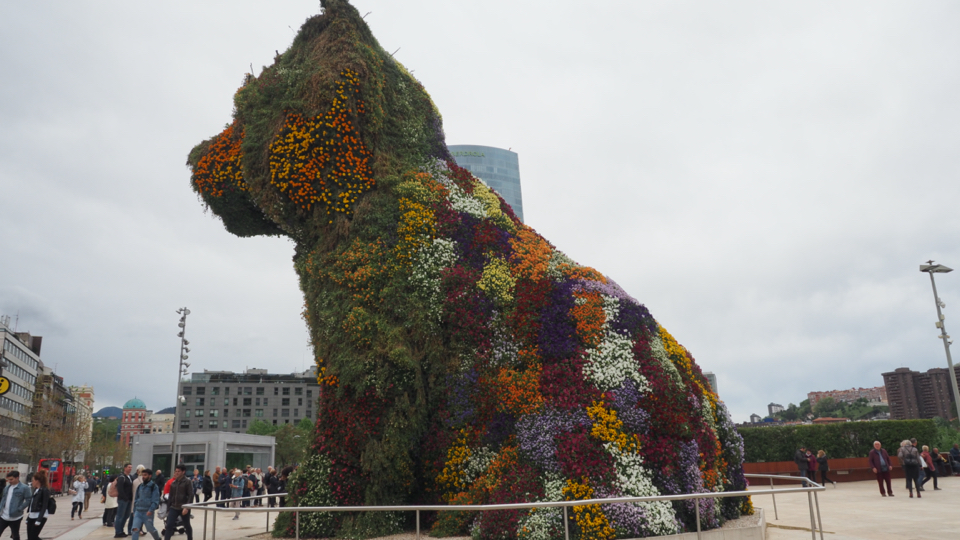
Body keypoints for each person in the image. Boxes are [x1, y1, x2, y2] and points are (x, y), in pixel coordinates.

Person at [0, 471, 34, 540]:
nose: (9, 481)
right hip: (3, 515)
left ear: (17, 478)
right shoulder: (7, 487)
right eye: (8, 479)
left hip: (16, 516)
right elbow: (3, 499)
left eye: (11, 479)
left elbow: (29, 499)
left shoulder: (24, 488)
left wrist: (20, 508)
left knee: (15, 535)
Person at [163, 465, 194, 540]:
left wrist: (187, 507)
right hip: (174, 507)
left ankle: (190, 538)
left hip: (183, 507)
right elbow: (170, 497)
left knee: (186, 525)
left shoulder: (187, 482)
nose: (176, 473)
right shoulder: (173, 483)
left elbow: (191, 495)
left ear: (183, 472)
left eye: (178, 471)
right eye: (175, 471)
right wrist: (168, 508)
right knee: (169, 525)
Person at [131, 469, 161, 540]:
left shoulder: (153, 487)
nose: (143, 477)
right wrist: (134, 510)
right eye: (142, 475)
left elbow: (155, 500)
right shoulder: (140, 486)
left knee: (150, 529)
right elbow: (136, 499)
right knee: (135, 529)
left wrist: (151, 510)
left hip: (147, 512)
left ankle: (157, 538)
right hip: (138, 511)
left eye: (145, 475)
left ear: (150, 476)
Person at [25, 470, 49, 540]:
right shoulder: (35, 490)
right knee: (30, 537)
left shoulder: (45, 490)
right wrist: (28, 518)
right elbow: (32, 504)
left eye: (33, 480)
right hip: (31, 516)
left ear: (37, 481)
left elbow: (45, 505)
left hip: (39, 516)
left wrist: (39, 519)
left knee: (33, 537)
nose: (32, 482)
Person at [115, 463, 135, 538]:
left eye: (131, 467)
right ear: (125, 468)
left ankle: (121, 530)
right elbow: (120, 489)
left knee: (126, 515)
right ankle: (118, 531)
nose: (130, 468)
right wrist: (125, 498)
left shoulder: (130, 477)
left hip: (129, 499)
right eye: (129, 467)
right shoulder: (121, 477)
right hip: (123, 500)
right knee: (120, 516)